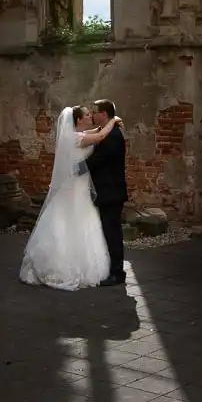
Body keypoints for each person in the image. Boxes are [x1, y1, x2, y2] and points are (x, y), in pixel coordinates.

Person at [19, 105, 123, 291]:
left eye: (92, 113)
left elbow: (97, 131)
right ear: (78, 120)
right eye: (87, 114)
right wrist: (113, 120)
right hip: (76, 188)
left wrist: (106, 124)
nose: (90, 116)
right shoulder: (75, 137)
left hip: (80, 185)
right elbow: (100, 136)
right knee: (73, 222)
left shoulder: (78, 134)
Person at [77, 99, 129, 286]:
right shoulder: (106, 132)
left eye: (95, 112)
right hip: (107, 192)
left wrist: (73, 169)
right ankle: (112, 269)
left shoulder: (112, 136)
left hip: (111, 193)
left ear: (104, 114)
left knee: (112, 233)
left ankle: (117, 273)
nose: (92, 114)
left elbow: (95, 161)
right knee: (108, 231)